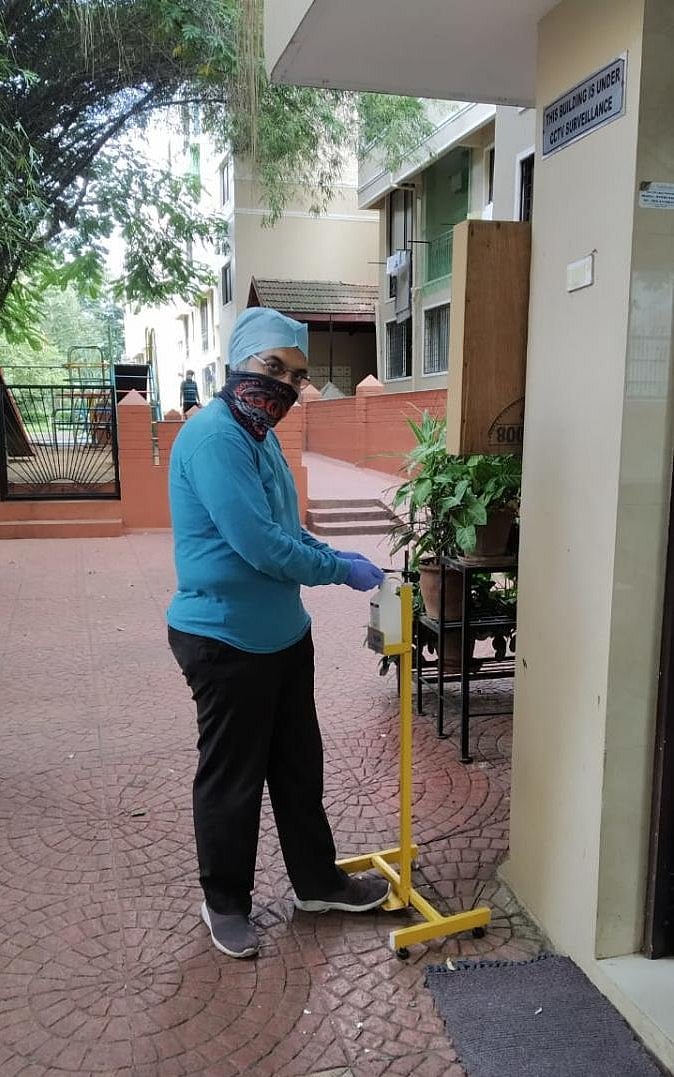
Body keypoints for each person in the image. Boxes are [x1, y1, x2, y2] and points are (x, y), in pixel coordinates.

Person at [167, 306, 389, 958]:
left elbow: (286, 530)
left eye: (296, 374)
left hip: (285, 636)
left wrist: (330, 550)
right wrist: (337, 568)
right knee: (233, 780)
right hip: (225, 639)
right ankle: (224, 903)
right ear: (238, 362)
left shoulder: (259, 436)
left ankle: (317, 883)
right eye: (273, 367)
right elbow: (261, 546)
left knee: (297, 767)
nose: (284, 384)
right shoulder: (215, 438)